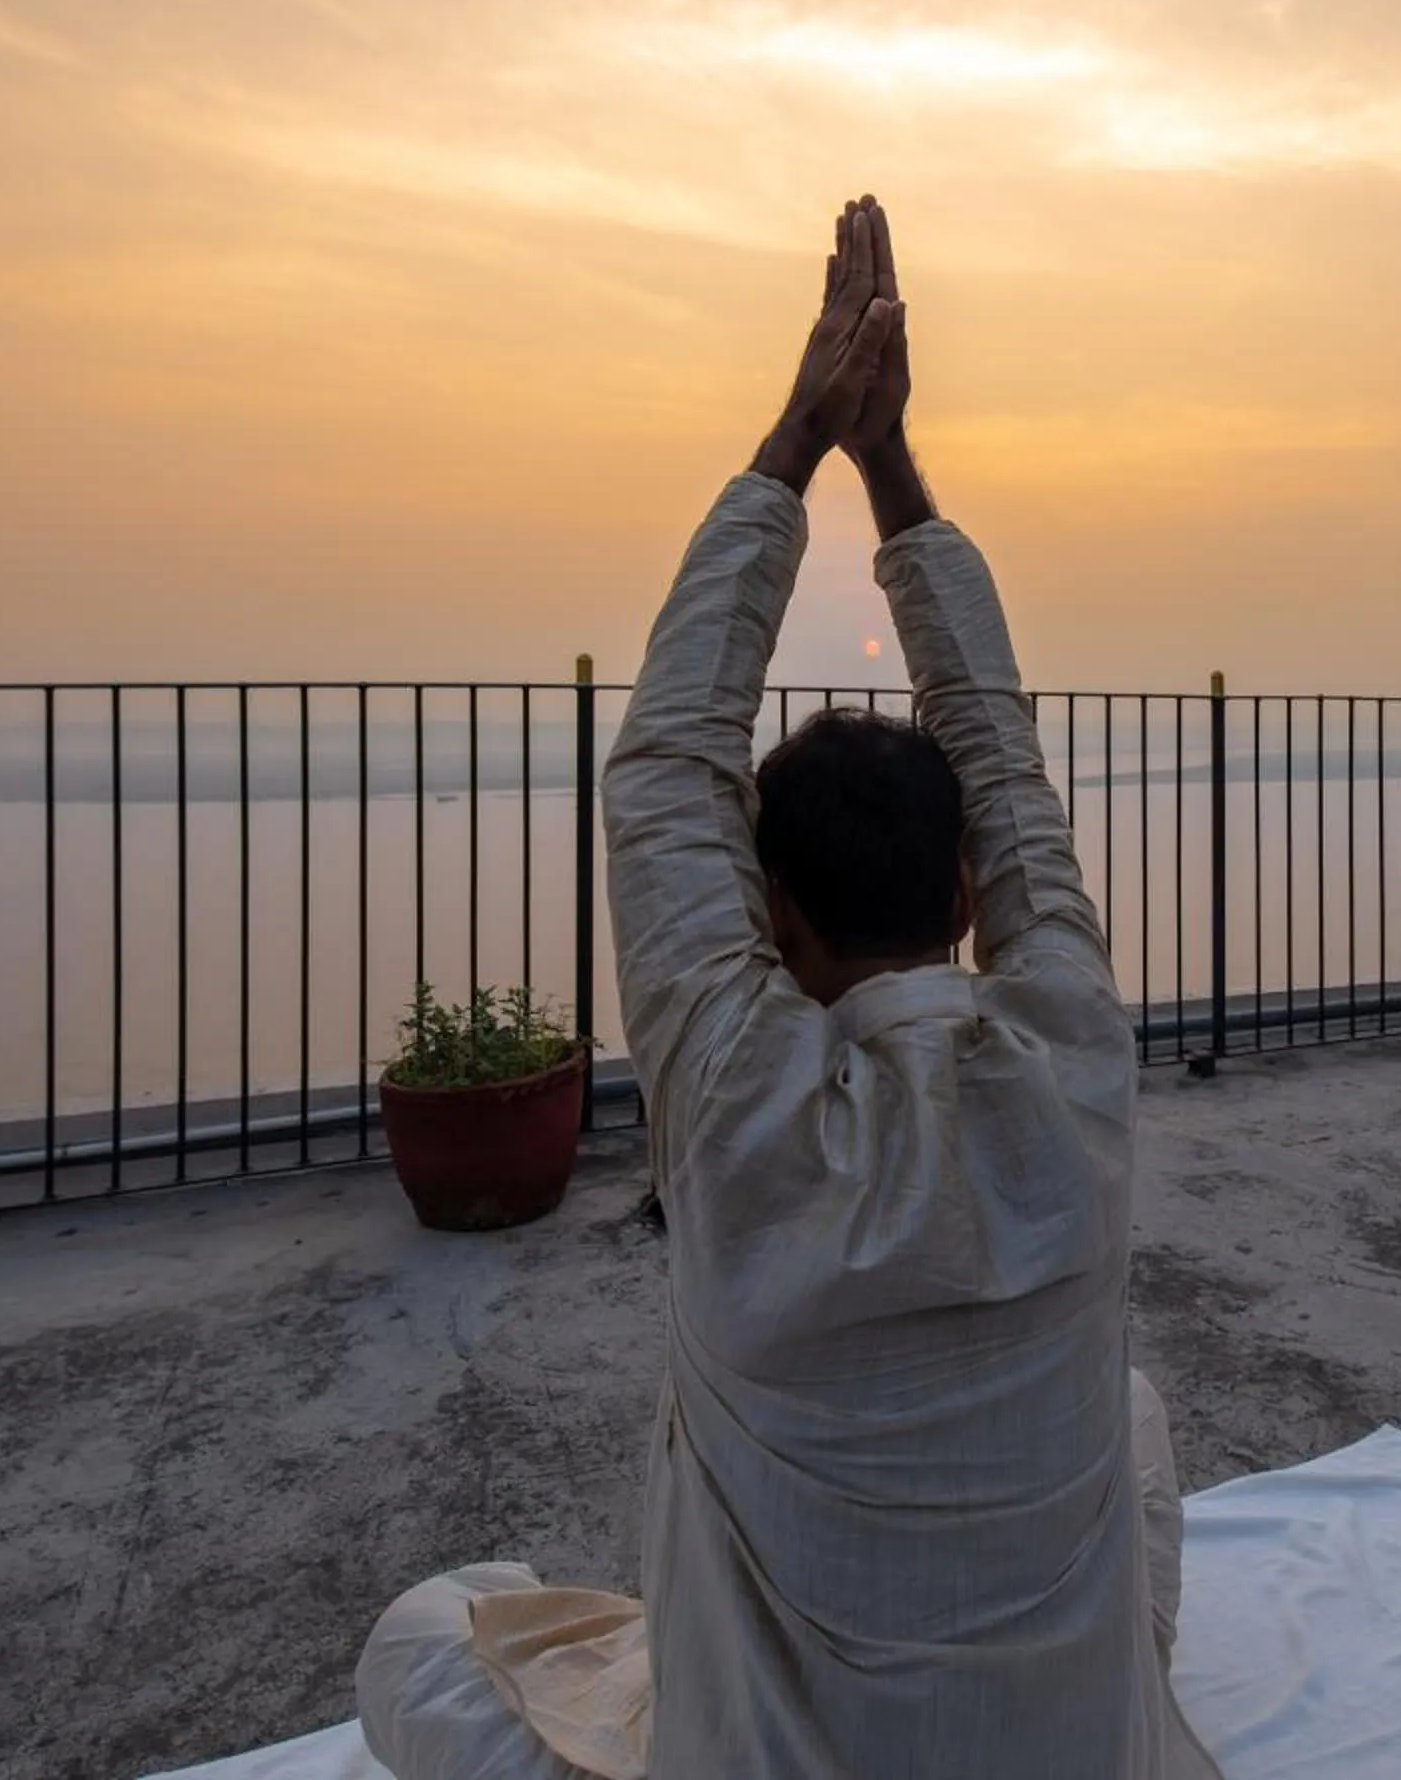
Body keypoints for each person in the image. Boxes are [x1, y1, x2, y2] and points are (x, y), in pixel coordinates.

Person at [354, 198, 1214, 1780]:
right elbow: (1002, 758)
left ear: (766, 913)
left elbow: (663, 771)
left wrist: (796, 445)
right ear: (968, 900)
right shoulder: (1078, 1061)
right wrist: (890, 464)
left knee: (432, 1630)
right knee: (1136, 1422)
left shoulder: (738, 1105)